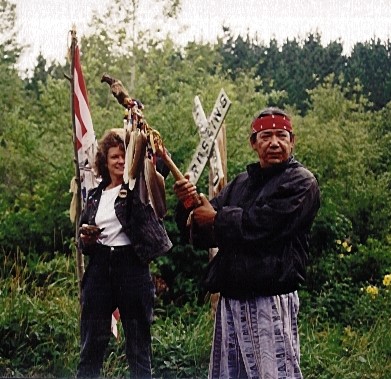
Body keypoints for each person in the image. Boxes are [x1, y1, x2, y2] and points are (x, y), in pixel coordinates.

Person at [173, 107, 320, 379]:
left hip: (270, 301)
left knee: (275, 374)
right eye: (265, 136)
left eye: (281, 135)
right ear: (254, 143)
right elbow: (204, 233)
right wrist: (188, 206)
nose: (274, 142)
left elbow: (263, 226)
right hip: (233, 302)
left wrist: (216, 219)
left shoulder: (301, 182)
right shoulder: (241, 184)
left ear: (292, 141)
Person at [76, 130, 172, 379]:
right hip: (99, 268)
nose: (119, 161)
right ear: (104, 162)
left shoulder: (137, 187)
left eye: (123, 156)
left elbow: (160, 165)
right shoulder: (96, 196)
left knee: (138, 347)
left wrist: (143, 133)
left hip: (132, 268)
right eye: (114, 157)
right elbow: (83, 244)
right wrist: (86, 239)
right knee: (91, 345)